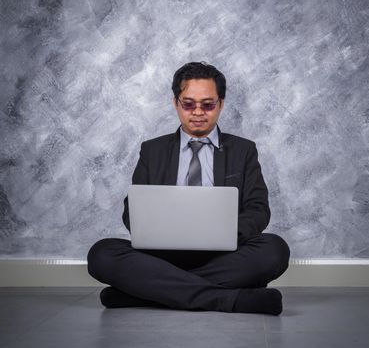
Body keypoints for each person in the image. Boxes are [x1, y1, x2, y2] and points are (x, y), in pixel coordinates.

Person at [87, 62, 290, 315]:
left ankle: (147, 292)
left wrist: (224, 234)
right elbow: (133, 212)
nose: (198, 112)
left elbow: (258, 210)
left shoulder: (243, 150)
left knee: (275, 250)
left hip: (224, 256)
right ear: (175, 103)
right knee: (102, 254)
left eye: (207, 104)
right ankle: (230, 300)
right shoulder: (153, 150)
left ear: (221, 104)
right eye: (188, 104)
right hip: (161, 257)